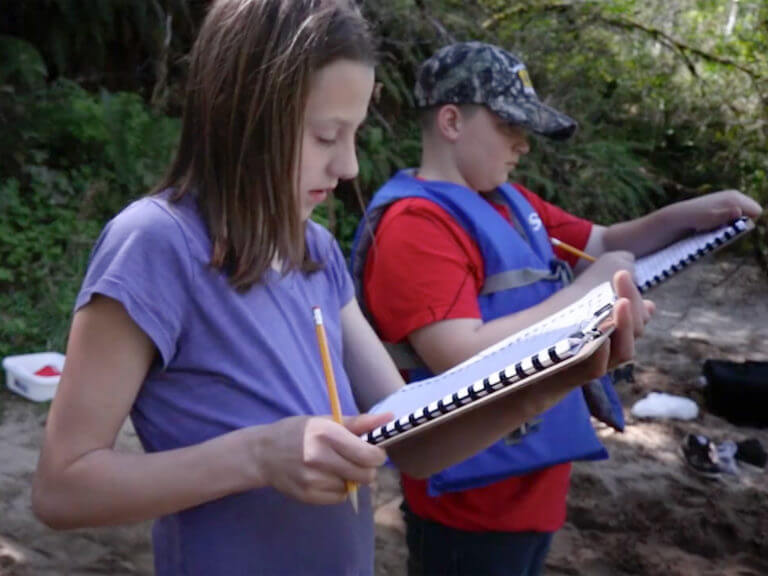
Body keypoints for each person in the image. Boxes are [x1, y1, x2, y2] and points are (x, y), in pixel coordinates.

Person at [31, 6, 647, 573]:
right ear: (242, 117)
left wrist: (554, 379)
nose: (349, 165)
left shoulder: (315, 251)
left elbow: (413, 442)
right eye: (326, 136)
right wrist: (257, 457)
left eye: (353, 134)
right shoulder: (154, 244)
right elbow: (62, 489)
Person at [351, 41, 762, 576]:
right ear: (451, 121)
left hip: (532, 487)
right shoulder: (415, 226)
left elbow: (605, 241)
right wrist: (588, 292)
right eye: (509, 126)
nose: (523, 144)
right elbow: (458, 356)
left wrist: (688, 216)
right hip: (468, 507)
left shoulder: (509, 201)